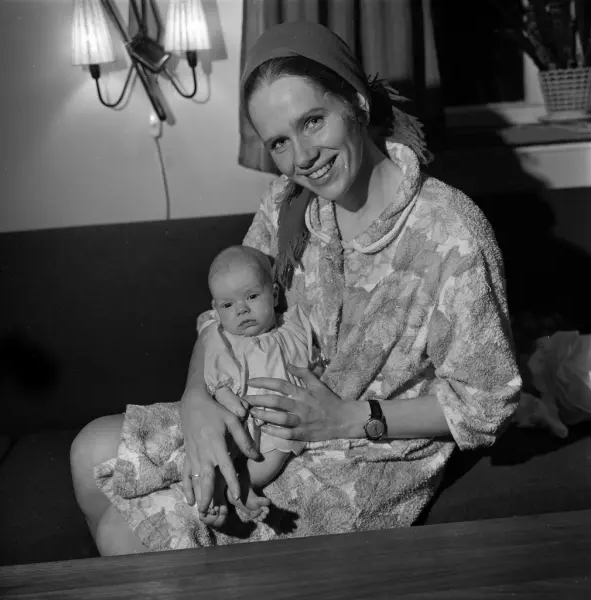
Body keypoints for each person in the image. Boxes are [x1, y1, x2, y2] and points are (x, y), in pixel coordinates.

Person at [70, 21, 521, 555]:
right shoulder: (286, 203)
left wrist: (348, 417)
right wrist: (196, 400)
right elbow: (222, 316)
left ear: (356, 102)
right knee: (88, 451)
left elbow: (486, 403)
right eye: (280, 142)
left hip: (360, 456)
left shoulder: (453, 233)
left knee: (124, 531)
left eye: (312, 121)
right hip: (256, 413)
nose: (303, 157)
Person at [201, 244, 313, 523]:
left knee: (277, 452)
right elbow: (214, 373)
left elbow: (310, 358)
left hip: (277, 417)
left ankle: (243, 484)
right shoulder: (221, 337)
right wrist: (225, 396)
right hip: (236, 413)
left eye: (251, 296)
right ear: (216, 309)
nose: (241, 309)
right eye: (228, 305)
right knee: (216, 445)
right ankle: (215, 485)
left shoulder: (292, 326)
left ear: (274, 295)